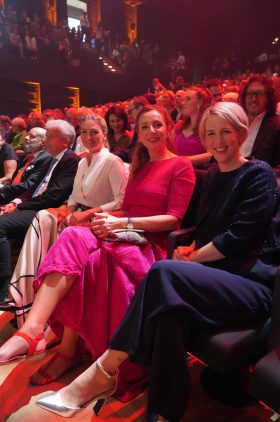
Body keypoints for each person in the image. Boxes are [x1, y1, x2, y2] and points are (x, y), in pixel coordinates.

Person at [35, 102, 280, 420]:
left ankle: (104, 370)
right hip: (213, 278)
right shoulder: (217, 174)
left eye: (226, 132)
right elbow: (208, 231)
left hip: (251, 287)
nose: (218, 141)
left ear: (242, 132)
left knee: (163, 271)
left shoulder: (258, 173)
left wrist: (190, 256)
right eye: (211, 134)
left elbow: (236, 240)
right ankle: (163, 413)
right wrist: (191, 247)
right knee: (166, 313)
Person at [0, 105, 195, 404]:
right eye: (144, 127)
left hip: (148, 240)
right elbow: (125, 206)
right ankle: (32, 330)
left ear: (168, 127)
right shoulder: (140, 165)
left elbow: (173, 220)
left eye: (157, 125)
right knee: (73, 235)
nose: (151, 132)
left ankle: (65, 350)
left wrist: (122, 222)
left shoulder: (180, 165)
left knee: (94, 261)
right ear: (138, 134)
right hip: (124, 229)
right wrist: (108, 220)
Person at [8, 114, 127, 326]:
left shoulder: (112, 161)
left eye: (94, 132)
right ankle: (24, 296)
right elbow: (73, 197)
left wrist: (86, 214)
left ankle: (38, 308)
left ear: (104, 134)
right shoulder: (82, 163)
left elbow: (121, 201)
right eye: (84, 132)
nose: (89, 137)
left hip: (98, 220)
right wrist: (71, 212)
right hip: (77, 216)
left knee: (45, 221)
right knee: (44, 220)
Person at [0, 119, 79, 303]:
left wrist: (19, 206)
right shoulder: (52, 158)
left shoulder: (70, 160)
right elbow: (34, 190)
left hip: (48, 211)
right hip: (35, 206)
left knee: (1, 226)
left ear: (65, 142)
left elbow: (53, 196)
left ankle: (4, 290)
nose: (46, 141)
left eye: (50, 137)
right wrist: (15, 203)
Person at [238, 75, 280, 168]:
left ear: (268, 98)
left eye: (260, 94)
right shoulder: (235, 122)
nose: (254, 99)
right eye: (250, 93)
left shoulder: (277, 125)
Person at [172, 86, 213, 167]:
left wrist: (182, 161)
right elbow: (168, 146)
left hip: (196, 173)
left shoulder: (208, 126)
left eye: (188, 99)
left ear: (200, 102)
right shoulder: (179, 125)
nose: (183, 102)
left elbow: (212, 154)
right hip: (175, 169)